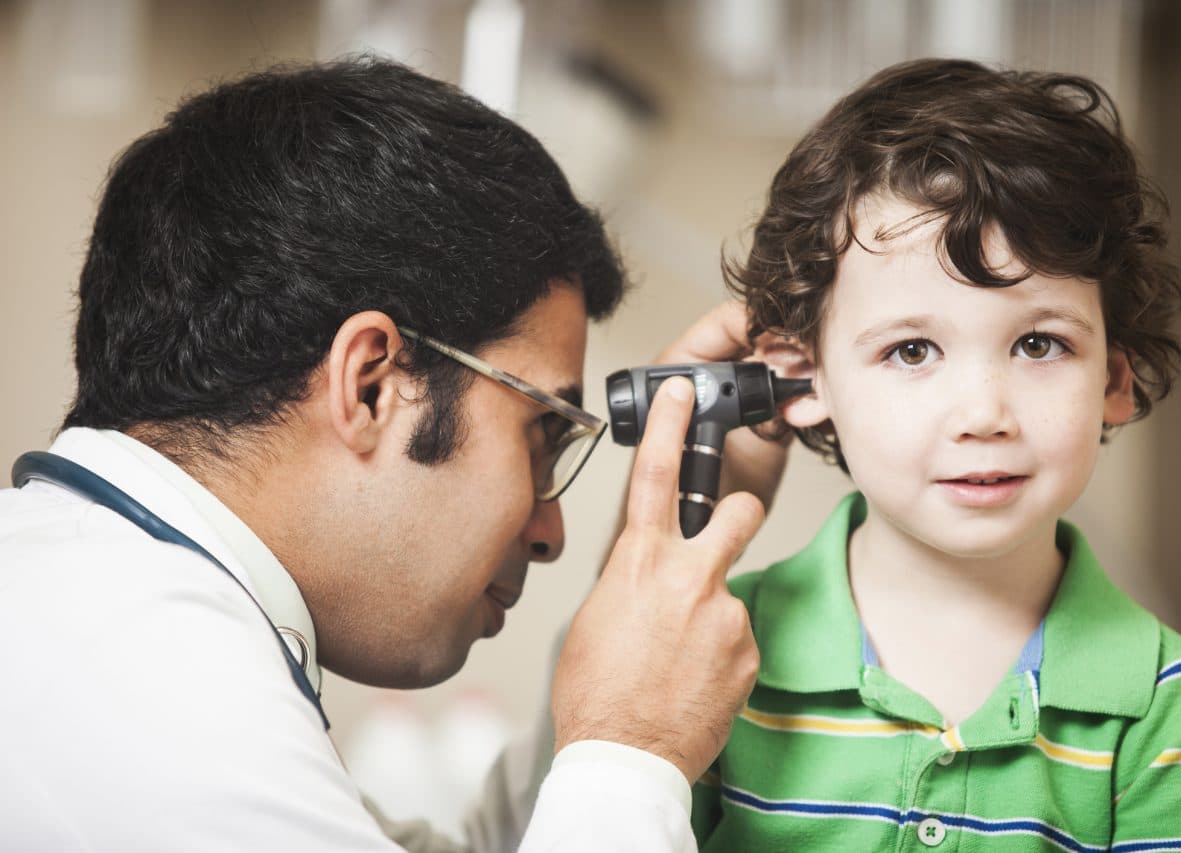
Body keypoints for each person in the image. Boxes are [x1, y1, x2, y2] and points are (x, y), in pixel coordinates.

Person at [0, 57, 779, 852]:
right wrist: (631, 749)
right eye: (541, 433)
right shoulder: (152, 685)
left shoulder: (89, 603)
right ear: (371, 383)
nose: (551, 531)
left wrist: (637, 636)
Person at [692, 59, 1181, 851]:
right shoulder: (717, 646)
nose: (985, 413)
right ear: (801, 378)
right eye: (912, 349)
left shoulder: (1165, 699)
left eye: (1040, 343)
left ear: (1114, 381)